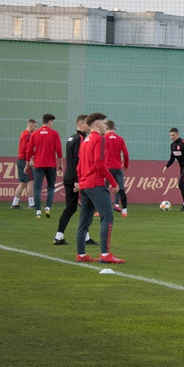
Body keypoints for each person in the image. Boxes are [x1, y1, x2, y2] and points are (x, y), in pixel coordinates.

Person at [75, 112, 123, 264]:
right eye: (104, 123)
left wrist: (80, 182)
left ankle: (81, 254)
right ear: (97, 124)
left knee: (84, 221)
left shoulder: (86, 140)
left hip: (85, 186)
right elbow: (99, 164)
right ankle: (105, 254)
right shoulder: (99, 139)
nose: (105, 126)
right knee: (107, 217)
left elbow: (79, 166)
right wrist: (114, 183)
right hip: (96, 184)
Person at [54, 115, 97, 247]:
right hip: (76, 178)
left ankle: (59, 235)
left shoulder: (71, 138)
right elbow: (78, 161)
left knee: (72, 208)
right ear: (81, 124)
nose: (90, 127)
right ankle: (84, 237)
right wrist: (78, 180)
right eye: (88, 124)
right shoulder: (81, 139)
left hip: (69, 176)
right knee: (86, 207)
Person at [28, 113, 63, 218]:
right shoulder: (54, 133)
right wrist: (61, 163)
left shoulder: (34, 134)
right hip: (51, 164)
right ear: (49, 121)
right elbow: (59, 150)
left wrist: (27, 163)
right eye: (52, 122)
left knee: (37, 188)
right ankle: (47, 207)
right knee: (51, 187)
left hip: (38, 165)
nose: (52, 124)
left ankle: (38, 211)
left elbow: (29, 150)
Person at [163, 128, 184, 210]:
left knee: (181, 183)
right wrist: (166, 166)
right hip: (182, 167)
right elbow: (172, 158)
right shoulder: (172, 145)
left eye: (173, 135)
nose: (172, 137)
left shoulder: (183, 143)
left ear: (177, 134)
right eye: (170, 135)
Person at [104, 119, 130, 217]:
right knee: (121, 189)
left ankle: (99, 210)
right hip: (118, 167)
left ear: (106, 127)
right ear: (114, 128)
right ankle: (124, 211)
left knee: (103, 188)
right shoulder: (120, 139)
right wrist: (126, 165)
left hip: (106, 167)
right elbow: (126, 154)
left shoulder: (103, 138)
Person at [12, 118, 37, 209]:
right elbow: (26, 149)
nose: (36, 129)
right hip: (24, 161)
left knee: (22, 183)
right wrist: (29, 160)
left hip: (20, 160)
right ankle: (31, 204)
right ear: (31, 125)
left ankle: (14, 203)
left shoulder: (23, 133)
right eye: (35, 126)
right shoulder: (27, 134)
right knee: (30, 182)